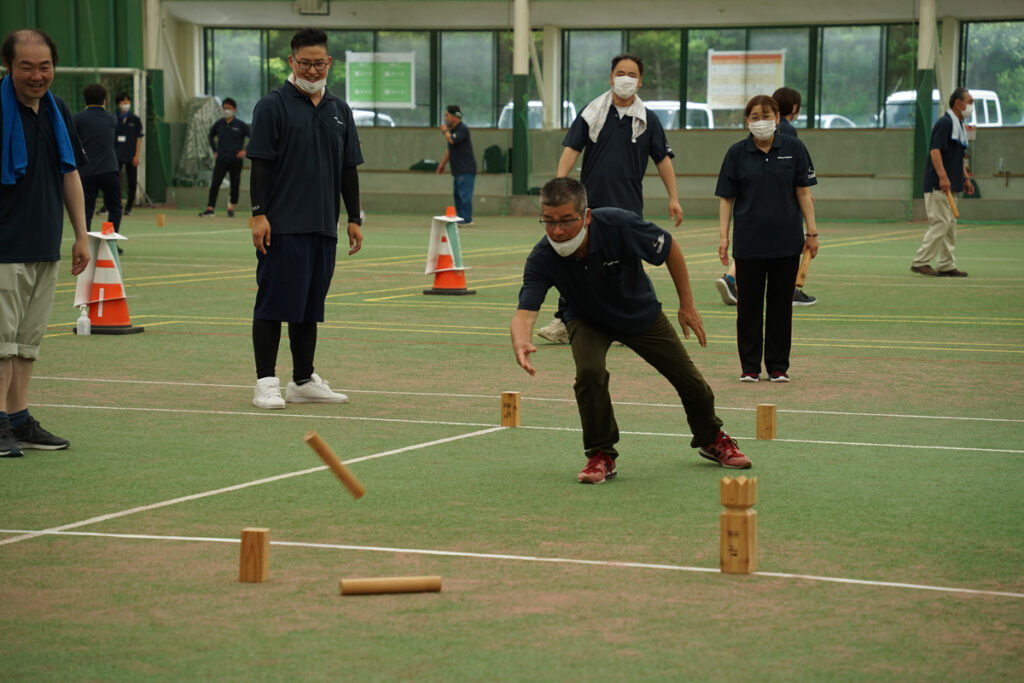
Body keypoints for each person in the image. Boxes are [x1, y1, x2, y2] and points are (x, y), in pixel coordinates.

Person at [510, 178, 751, 484]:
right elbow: (524, 314)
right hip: (586, 319)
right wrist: (520, 339)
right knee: (589, 373)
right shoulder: (542, 257)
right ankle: (601, 454)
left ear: (586, 216)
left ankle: (711, 437)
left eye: (566, 221)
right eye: (549, 221)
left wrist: (686, 305)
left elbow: (670, 249)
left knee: (690, 381)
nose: (557, 231)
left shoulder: (619, 225)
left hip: (640, 314)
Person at [246, 28, 363, 409]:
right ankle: (266, 382)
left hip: (322, 227)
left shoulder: (339, 110)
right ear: (292, 63)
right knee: (274, 304)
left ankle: (301, 379)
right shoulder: (272, 106)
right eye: (305, 63)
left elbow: (349, 169)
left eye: (319, 63)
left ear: (329, 63)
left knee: (309, 305)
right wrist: (258, 214)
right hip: (282, 227)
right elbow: (260, 164)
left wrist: (353, 218)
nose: (313, 70)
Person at [538, 53, 683, 345]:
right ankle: (564, 321)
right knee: (578, 264)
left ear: (640, 81)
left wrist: (674, 198)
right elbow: (571, 149)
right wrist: (559, 187)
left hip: (628, 209)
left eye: (631, 74)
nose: (625, 79)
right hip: (590, 207)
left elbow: (663, 160)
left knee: (626, 266)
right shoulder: (592, 113)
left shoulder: (649, 120)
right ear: (610, 77)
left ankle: (624, 322)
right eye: (620, 73)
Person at [0, 29, 90, 456]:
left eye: (45, 66)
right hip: (3, 246)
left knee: (26, 342)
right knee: (0, 343)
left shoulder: (57, 111)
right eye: (26, 67)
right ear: (8, 66)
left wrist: (80, 234)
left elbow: (69, 173)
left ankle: (18, 419)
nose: (37, 75)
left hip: (42, 243)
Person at [715, 95, 819, 383]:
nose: (762, 121)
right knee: (748, 308)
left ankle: (777, 367)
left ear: (777, 118)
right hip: (749, 244)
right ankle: (749, 367)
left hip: (787, 242)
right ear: (747, 121)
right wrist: (723, 237)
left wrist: (811, 232)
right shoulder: (736, 153)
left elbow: (803, 192)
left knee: (780, 307)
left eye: (767, 115)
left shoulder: (794, 148)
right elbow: (727, 198)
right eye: (756, 116)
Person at [910, 87, 975, 277]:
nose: (972, 106)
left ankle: (946, 264)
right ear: (958, 104)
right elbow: (935, 151)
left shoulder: (959, 126)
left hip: (952, 184)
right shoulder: (945, 123)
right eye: (970, 102)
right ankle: (920, 261)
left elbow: (958, 156)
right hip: (938, 184)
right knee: (941, 222)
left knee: (950, 225)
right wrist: (943, 176)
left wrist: (965, 179)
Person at [73, 83, 123, 250]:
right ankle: (109, 242)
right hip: (109, 169)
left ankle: (85, 243)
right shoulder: (112, 119)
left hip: (86, 171)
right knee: (114, 206)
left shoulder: (78, 118)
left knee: (86, 208)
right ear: (104, 99)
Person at [200, 97, 250, 218]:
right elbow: (210, 137)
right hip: (221, 159)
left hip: (235, 160)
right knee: (215, 183)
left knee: (235, 184)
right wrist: (215, 151)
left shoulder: (241, 125)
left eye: (229, 108)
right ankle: (210, 208)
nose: (226, 110)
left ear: (234, 109)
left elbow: (252, 137)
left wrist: (245, 150)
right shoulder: (218, 124)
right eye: (224, 108)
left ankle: (231, 207)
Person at [435, 104, 475, 226]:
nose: (445, 118)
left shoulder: (462, 129)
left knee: (464, 195)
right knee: (457, 195)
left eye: (447, 115)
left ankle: (466, 219)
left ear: (454, 116)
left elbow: (452, 140)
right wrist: (442, 164)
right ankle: (459, 218)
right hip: (457, 170)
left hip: (465, 168)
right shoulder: (453, 131)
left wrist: (445, 131)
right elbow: (450, 149)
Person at [114, 91, 142, 215]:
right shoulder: (113, 118)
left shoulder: (135, 119)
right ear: (118, 104)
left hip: (131, 155)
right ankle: (112, 205)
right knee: (114, 181)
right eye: (123, 101)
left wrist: (137, 155)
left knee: (132, 181)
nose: (126, 103)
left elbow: (138, 138)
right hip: (116, 155)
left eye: (128, 101)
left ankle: (129, 207)